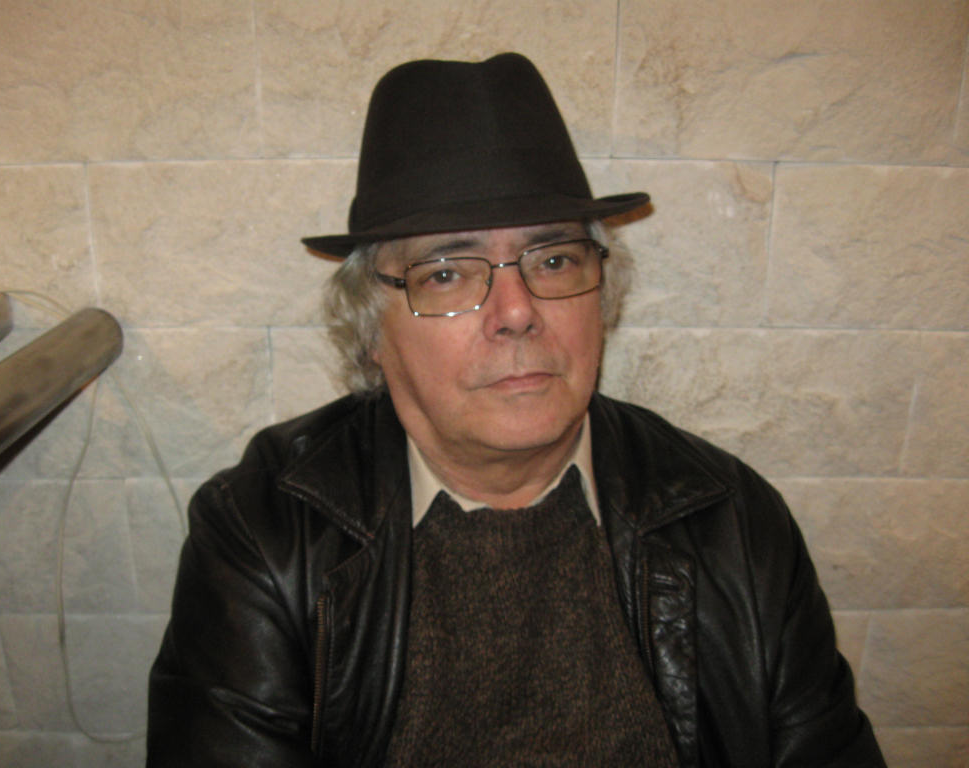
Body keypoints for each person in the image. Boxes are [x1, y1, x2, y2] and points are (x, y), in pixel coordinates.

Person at [147, 53, 885, 767]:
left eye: (554, 260)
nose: (517, 312)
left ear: (602, 297)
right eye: (446, 273)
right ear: (372, 330)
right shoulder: (265, 534)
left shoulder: (734, 525)